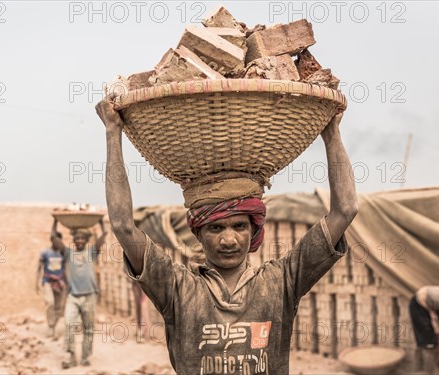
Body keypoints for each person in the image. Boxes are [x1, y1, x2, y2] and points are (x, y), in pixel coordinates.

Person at [97, 100, 358, 375]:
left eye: (239, 227)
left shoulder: (281, 282)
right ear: (198, 233)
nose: (229, 240)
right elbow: (123, 225)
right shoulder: (178, 289)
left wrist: (331, 134)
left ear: (254, 230)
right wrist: (113, 133)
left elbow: (345, 209)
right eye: (216, 228)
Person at [62, 221, 107, 369]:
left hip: (89, 296)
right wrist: (55, 221)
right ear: (74, 240)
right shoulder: (69, 253)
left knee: (88, 328)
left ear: (86, 240)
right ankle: (71, 355)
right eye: (77, 238)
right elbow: (53, 239)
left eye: (83, 238)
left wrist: (102, 224)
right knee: (69, 324)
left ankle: (85, 356)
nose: (80, 240)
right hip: (73, 296)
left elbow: (103, 238)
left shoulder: (91, 253)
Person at [36, 218, 68, 338]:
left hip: (60, 283)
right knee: (50, 303)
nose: (58, 242)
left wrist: (67, 283)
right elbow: (38, 268)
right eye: (56, 240)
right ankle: (50, 326)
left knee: (58, 307)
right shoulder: (45, 253)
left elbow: (65, 269)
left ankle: (53, 327)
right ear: (52, 240)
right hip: (48, 282)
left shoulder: (63, 254)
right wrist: (37, 283)